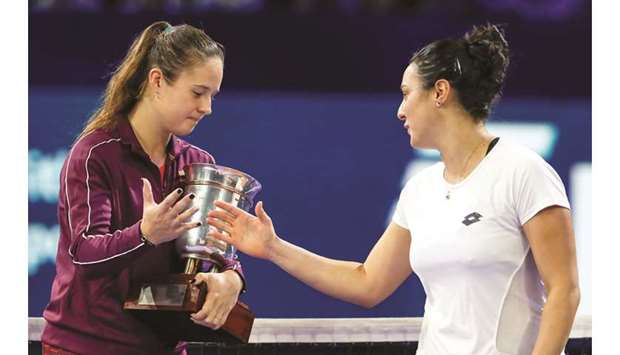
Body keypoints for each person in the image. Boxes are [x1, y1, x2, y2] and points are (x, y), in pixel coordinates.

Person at [206, 24, 580, 355]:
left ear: (440, 92)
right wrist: (273, 248)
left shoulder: (523, 171)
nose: (400, 111)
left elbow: (564, 290)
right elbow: (368, 283)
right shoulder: (420, 190)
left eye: (406, 93)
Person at [41, 21, 246, 355]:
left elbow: (217, 250)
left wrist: (232, 278)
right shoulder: (95, 154)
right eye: (197, 93)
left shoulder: (198, 163)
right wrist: (145, 234)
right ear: (157, 81)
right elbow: (83, 255)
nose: (207, 108)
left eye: (212, 95)